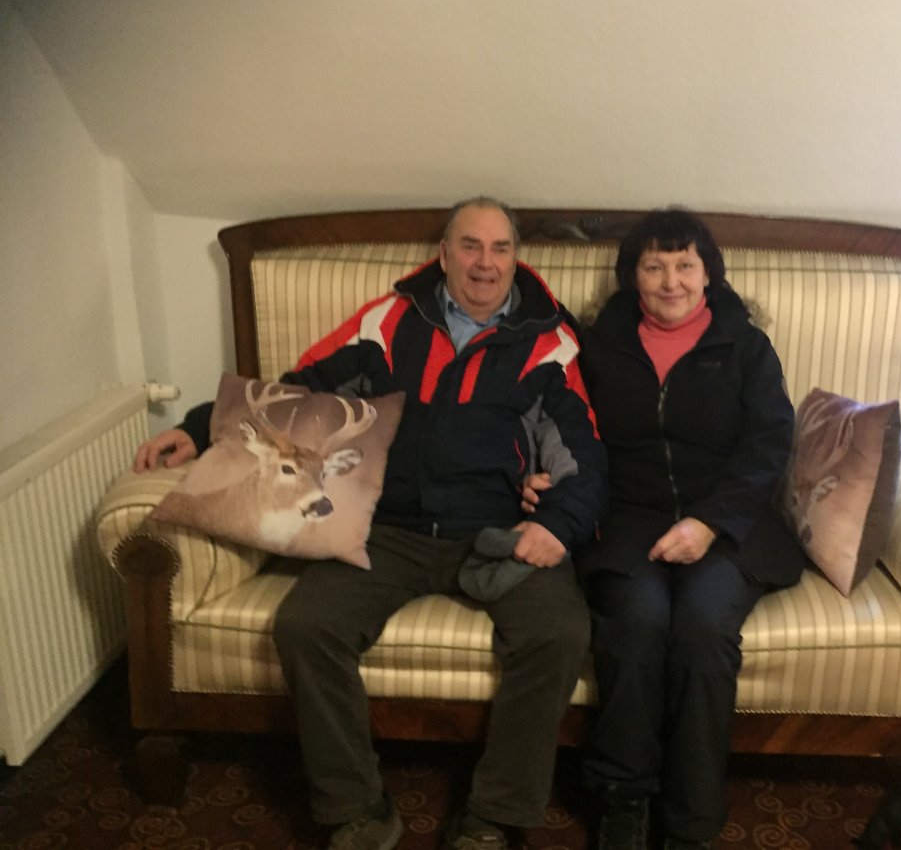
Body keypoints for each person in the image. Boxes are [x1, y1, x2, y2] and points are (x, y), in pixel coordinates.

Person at [133, 197, 607, 850]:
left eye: (500, 248)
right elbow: (298, 395)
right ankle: (355, 808)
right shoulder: (386, 323)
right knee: (306, 625)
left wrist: (558, 522)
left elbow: (584, 453)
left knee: (561, 630)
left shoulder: (551, 343)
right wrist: (197, 429)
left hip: (497, 532)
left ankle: (495, 815)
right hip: (388, 530)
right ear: (444, 254)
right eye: (470, 246)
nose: (485, 262)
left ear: (515, 258)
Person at [526, 208, 804, 850]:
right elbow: (563, 423)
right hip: (627, 518)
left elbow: (768, 444)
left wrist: (709, 522)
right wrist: (538, 471)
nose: (671, 281)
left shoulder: (746, 348)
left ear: (708, 274)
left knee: (704, 627)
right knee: (636, 621)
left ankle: (691, 818)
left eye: (684, 264)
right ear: (633, 276)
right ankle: (624, 796)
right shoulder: (597, 348)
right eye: (654, 266)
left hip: (730, 524)